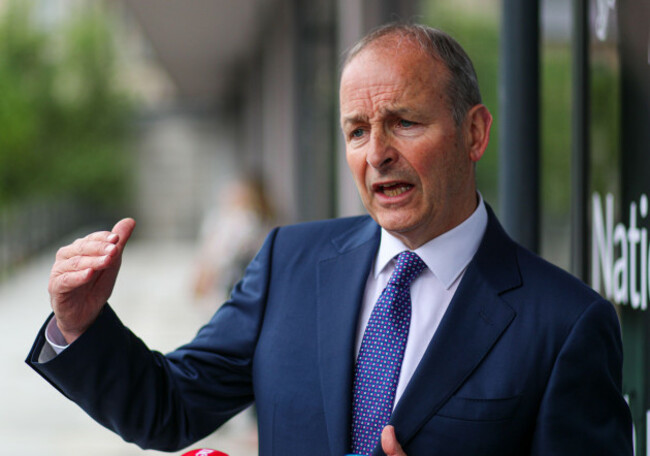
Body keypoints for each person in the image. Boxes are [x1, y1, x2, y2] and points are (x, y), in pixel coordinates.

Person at [27, 23, 632, 455]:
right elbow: (171, 407)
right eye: (357, 131)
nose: (378, 154)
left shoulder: (566, 324)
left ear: (474, 133)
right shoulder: (290, 260)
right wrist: (80, 326)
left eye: (405, 122)